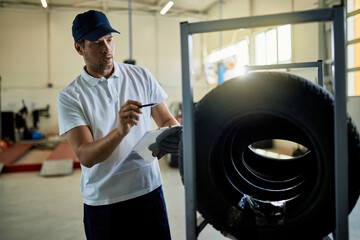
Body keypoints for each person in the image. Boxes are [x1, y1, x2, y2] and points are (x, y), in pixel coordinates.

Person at [57, 10, 180, 240]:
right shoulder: (71, 97)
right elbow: (85, 155)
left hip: (148, 192)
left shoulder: (141, 76)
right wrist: (120, 131)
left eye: (110, 40)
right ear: (79, 48)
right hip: (105, 204)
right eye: (96, 43)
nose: (107, 49)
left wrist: (170, 139)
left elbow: (166, 121)